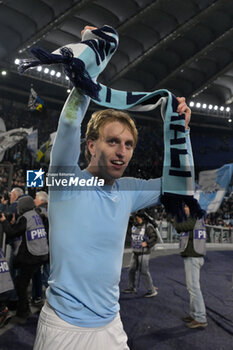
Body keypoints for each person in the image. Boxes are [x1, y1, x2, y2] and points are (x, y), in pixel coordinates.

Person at [31, 26, 191, 350]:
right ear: (91, 145)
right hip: (62, 330)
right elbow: (68, 123)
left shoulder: (128, 190)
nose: (122, 151)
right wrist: (90, 68)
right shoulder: (66, 183)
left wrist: (180, 132)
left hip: (112, 328)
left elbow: (179, 185)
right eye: (113, 141)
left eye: (129, 144)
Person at [0, 196, 48, 320]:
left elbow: (12, 233)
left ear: (23, 207)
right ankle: (30, 303)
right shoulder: (35, 215)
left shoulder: (26, 218)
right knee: (24, 281)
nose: (17, 208)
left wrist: (4, 221)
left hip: (32, 256)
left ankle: (23, 311)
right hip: (41, 254)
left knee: (21, 284)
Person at [173, 204, 208, 329]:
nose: (184, 209)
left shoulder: (194, 216)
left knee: (194, 288)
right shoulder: (196, 216)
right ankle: (194, 314)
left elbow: (181, 227)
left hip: (194, 256)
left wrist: (176, 217)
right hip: (193, 255)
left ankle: (200, 317)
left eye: (186, 207)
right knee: (191, 287)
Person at [122, 211, 158, 297]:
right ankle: (131, 287)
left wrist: (147, 243)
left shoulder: (148, 226)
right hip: (135, 252)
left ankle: (151, 290)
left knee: (144, 271)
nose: (135, 219)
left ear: (140, 217)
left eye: (136, 217)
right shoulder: (134, 225)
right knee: (131, 270)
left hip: (144, 253)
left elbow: (154, 237)